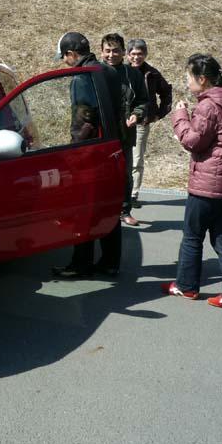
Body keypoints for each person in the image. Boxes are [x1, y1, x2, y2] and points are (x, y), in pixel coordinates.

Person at [165, 54, 222, 312]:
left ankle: (186, 285)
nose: (187, 82)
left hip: (208, 186)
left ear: (202, 79)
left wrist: (180, 115)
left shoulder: (208, 106)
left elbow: (193, 141)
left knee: (192, 236)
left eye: (189, 77)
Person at [52, 31, 124, 278]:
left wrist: (74, 151)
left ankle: (80, 263)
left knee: (83, 208)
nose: (65, 62)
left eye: (64, 57)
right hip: (112, 148)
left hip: (90, 152)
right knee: (108, 207)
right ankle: (110, 262)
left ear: (72, 54)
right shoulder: (109, 71)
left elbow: (85, 119)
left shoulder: (82, 77)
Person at [100, 33, 148, 226]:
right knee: (101, 175)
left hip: (124, 134)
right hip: (100, 135)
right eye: (107, 51)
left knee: (125, 174)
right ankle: (102, 211)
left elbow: (143, 100)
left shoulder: (133, 74)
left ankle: (124, 210)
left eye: (116, 51)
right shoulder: (95, 72)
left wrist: (137, 114)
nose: (111, 55)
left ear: (123, 52)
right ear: (101, 52)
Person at [126, 38, 173, 207]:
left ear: (145, 54)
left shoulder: (152, 74)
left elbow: (166, 93)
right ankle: (119, 193)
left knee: (136, 160)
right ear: (127, 55)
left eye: (140, 54)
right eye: (133, 54)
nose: (136, 57)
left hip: (141, 124)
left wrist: (158, 114)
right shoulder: (121, 71)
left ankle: (133, 195)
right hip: (121, 122)